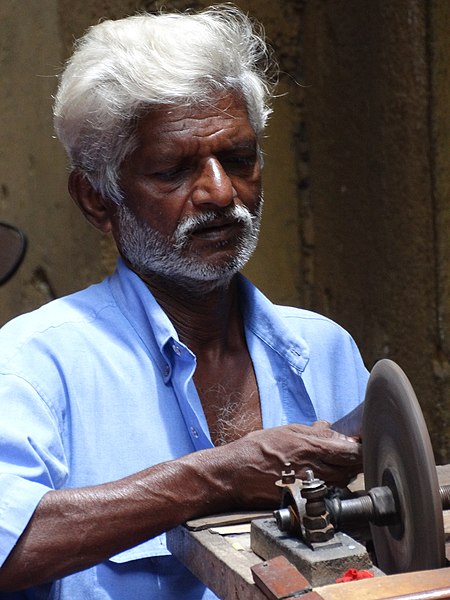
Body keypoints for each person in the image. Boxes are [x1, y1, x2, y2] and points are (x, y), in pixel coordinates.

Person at [0, 5, 368, 599]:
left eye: (240, 159)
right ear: (97, 199)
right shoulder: (36, 366)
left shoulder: (323, 350)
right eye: (175, 170)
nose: (222, 192)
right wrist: (216, 477)